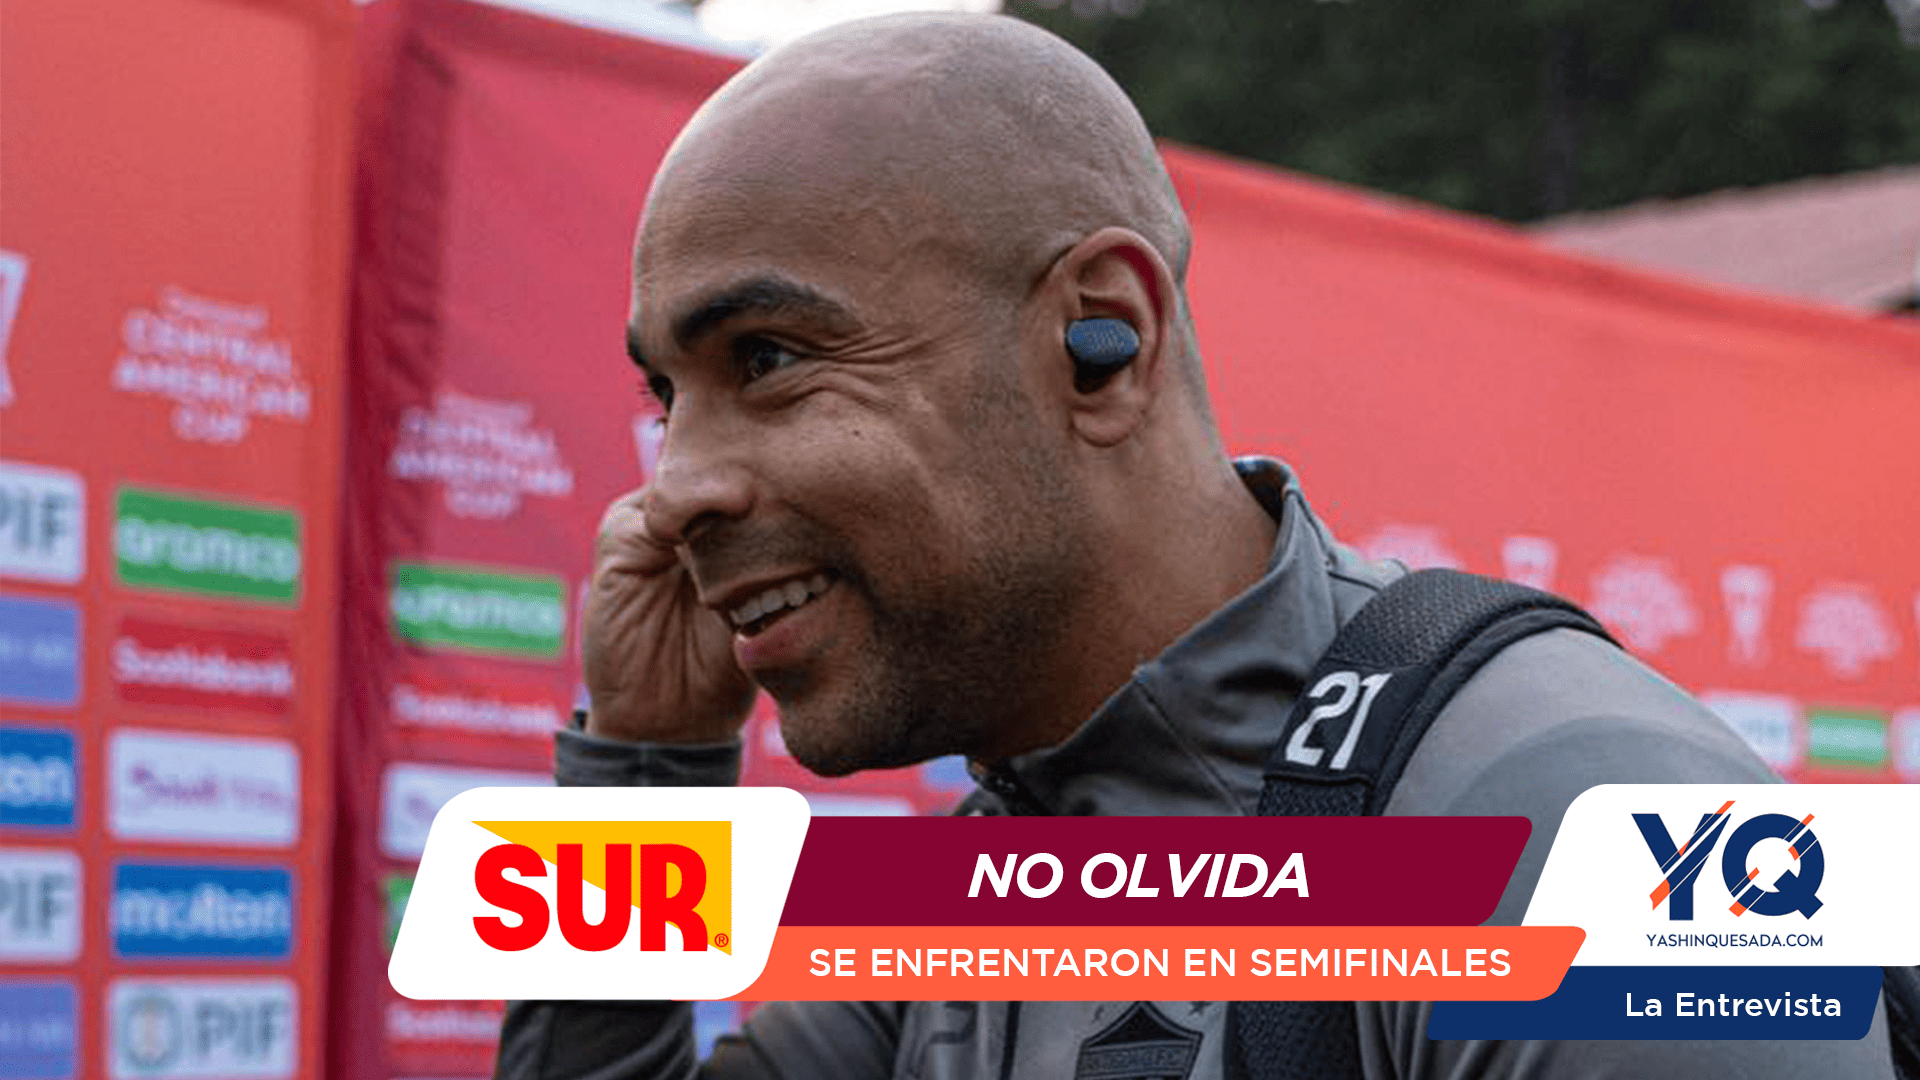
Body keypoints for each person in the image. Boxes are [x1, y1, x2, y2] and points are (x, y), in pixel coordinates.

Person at [494, 12, 1897, 1079]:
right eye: (667, 398)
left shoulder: (1582, 820)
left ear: (1099, 340)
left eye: (769, 357)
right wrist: (642, 773)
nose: (674, 488)